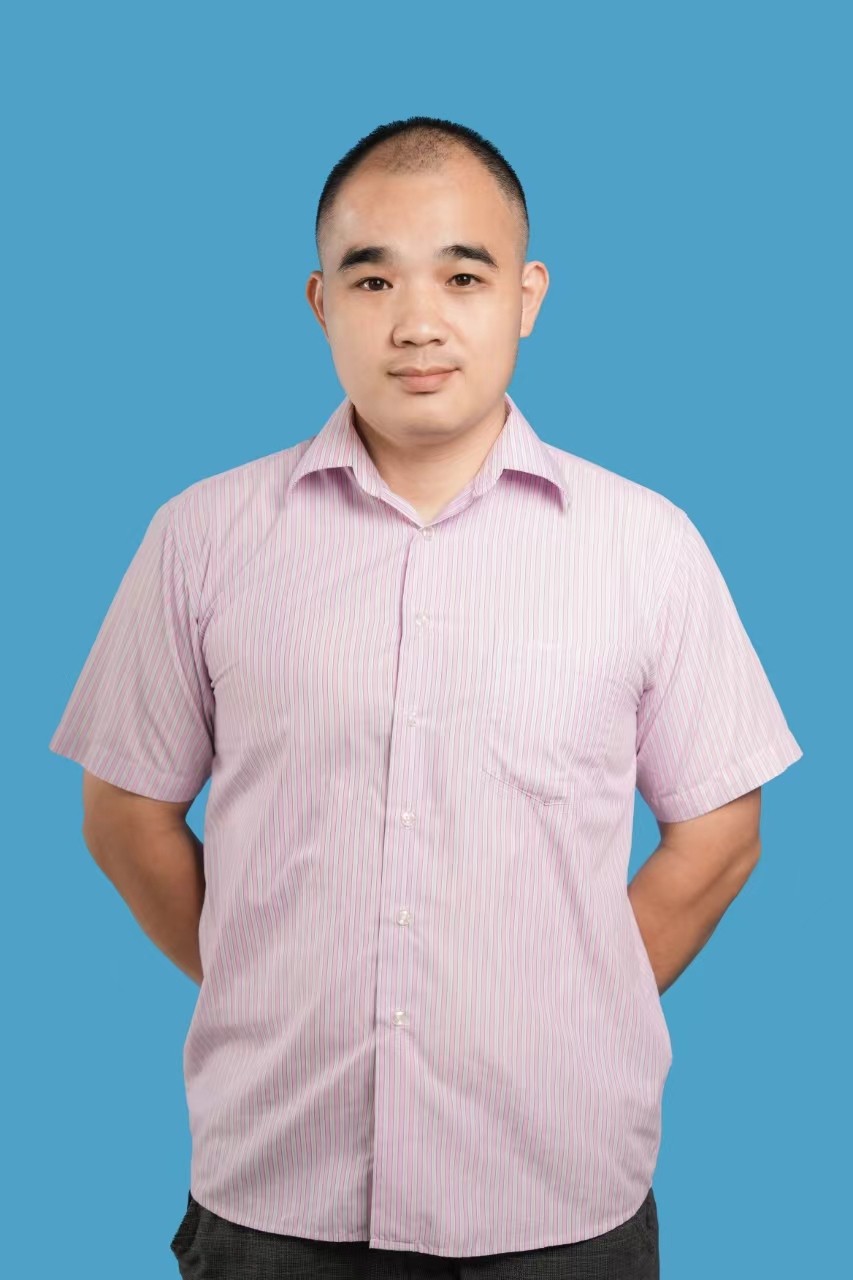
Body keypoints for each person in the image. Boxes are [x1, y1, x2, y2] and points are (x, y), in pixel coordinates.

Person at [49, 116, 803, 1279]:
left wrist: (574, 996)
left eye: (463, 275)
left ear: (526, 295)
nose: (417, 321)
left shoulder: (645, 547)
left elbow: (720, 831)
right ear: (320, 301)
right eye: (372, 278)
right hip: (277, 1189)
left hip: (557, 1193)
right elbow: (124, 812)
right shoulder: (201, 538)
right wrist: (278, 977)